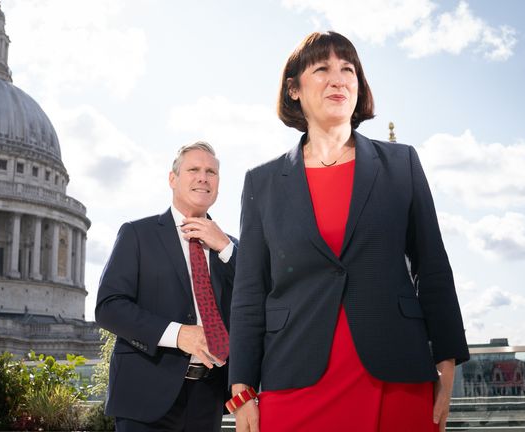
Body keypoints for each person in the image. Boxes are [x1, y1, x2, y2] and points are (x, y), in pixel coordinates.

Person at [227, 31, 469, 432]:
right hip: (295, 377)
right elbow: (249, 293)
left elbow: (433, 267)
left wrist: (446, 365)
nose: (338, 79)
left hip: (397, 378)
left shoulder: (401, 163)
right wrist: (242, 389)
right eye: (322, 68)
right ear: (293, 90)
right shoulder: (262, 182)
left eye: (348, 69)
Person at [96, 141, 237, 431]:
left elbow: (261, 299)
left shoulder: (231, 248)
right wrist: (178, 335)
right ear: (173, 179)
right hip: (145, 395)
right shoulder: (138, 234)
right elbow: (109, 307)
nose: (203, 177)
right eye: (194, 169)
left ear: (218, 184)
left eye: (211, 171)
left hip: (208, 399)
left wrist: (225, 247)